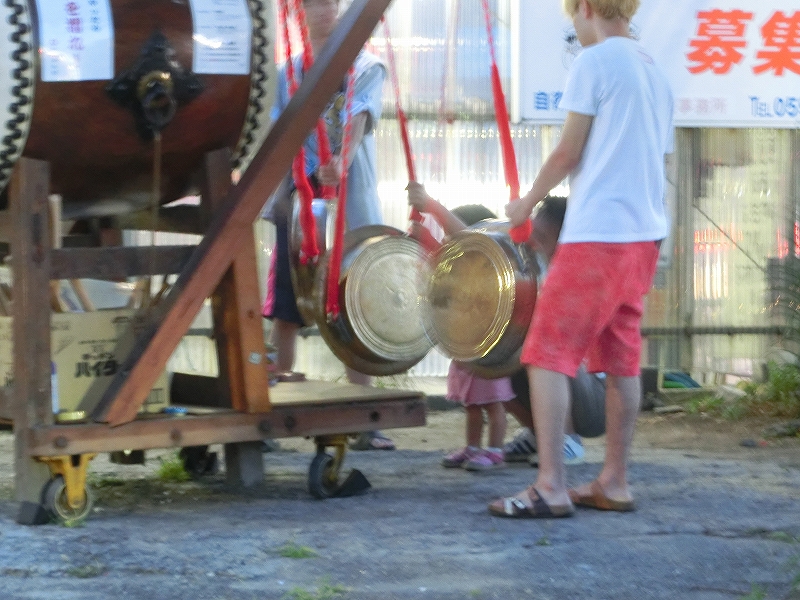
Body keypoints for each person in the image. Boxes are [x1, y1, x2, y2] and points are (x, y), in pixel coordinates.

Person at [490, 0, 673, 518]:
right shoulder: (655, 70)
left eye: (573, 15)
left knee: (545, 352)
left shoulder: (595, 62)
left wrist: (526, 203)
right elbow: (657, 159)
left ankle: (550, 485)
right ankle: (614, 481)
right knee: (621, 361)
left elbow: (567, 152)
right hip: (643, 236)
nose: (575, 25)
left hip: (599, 236)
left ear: (586, 7)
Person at [262, 0, 394, 450]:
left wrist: (342, 160)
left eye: (330, 1)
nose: (324, 9)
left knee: (353, 301)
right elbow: (278, 133)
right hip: (300, 199)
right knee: (286, 303)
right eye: (314, 2)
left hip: (348, 200)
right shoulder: (286, 74)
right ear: (296, 11)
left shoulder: (365, 65)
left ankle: (363, 416)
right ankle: (273, 412)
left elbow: (359, 116)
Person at [408, 184, 606, 468]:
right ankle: (540, 435)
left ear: (565, 242)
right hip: (568, 382)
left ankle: (567, 440)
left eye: (541, 237)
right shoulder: (532, 262)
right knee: (498, 361)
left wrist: (434, 208)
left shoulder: (573, 275)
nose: (532, 241)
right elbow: (476, 243)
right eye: (533, 233)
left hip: (594, 399)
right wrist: (432, 210)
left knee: (544, 349)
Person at [408, 182, 513, 471]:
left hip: (487, 348)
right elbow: (444, 261)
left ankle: (495, 450)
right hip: (466, 345)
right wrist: (426, 239)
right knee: (472, 403)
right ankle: (472, 447)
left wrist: (431, 213)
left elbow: (462, 244)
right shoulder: (461, 262)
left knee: (493, 403)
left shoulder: (490, 262)